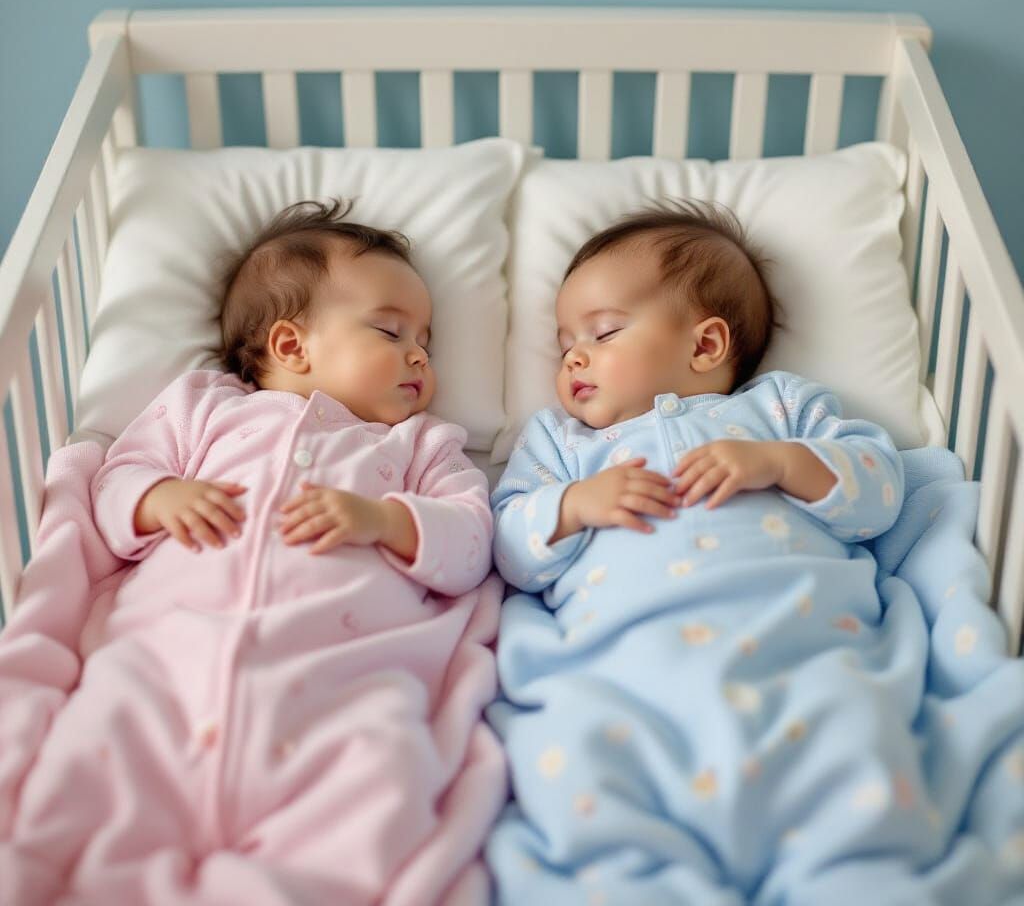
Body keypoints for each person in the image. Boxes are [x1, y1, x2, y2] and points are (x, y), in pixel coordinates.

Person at [2, 199, 503, 906]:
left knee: (379, 787)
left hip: (340, 683)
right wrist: (156, 498)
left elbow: (473, 540)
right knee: (86, 780)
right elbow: (119, 477)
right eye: (391, 330)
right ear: (292, 346)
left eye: (426, 338)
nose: (420, 353)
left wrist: (386, 521)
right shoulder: (204, 406)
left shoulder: (420, 446)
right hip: (167, 664)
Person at [488, 198, 912, 904]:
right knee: (589, 771)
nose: (574, 358)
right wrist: (574, 505)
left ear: (706, 345)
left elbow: (881, 488)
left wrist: (778, 463)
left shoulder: (777, 410)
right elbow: (508, 547)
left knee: (846, 759)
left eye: (604, 331)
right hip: (629, 666)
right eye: (566, 345)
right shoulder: (564, 444)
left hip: (793, 648)